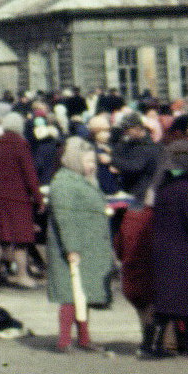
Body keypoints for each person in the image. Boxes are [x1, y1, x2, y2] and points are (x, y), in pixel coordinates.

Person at [143, 139, 188, 358]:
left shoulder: (164, 187)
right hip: (184, 252)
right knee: (182, 300)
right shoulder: (187, 189)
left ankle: (167, 342)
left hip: (164, 250)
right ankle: (167, 344)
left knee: (172, 301)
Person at [45, 137, 117, 353]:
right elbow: (64, 217)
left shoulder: (81, 180)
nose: (92, 165)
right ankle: (64, 340)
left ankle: (84, 338)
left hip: (88, 247)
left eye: (93, 161)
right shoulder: (64, 182)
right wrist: (71, 248)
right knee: (70, 295)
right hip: (73, 249)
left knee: (82, 293)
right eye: (88, 161)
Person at [0, 114, 41, 288]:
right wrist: (38, 198)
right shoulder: (21, 145)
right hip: (18, 198)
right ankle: (22, 276)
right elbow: (29, 174)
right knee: (21, 239)